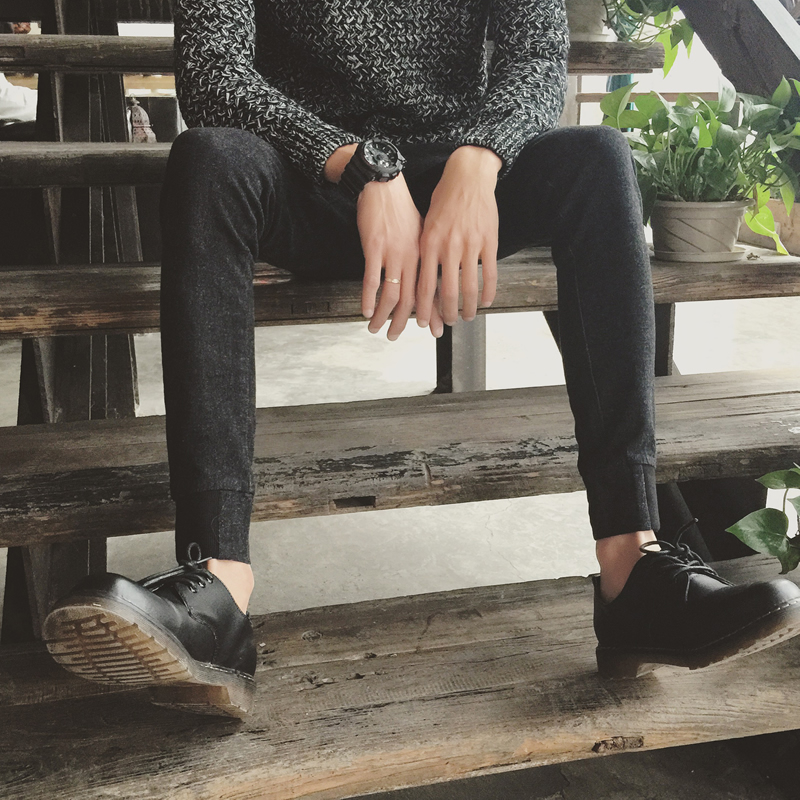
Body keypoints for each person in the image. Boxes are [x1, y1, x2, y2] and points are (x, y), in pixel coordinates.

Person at [43, 0, 800, 717]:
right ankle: (219, 586)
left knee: (598, 158)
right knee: (207, 157)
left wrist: (480, 157)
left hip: (457, 191)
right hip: (306, 175)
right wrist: (363, 167)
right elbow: (215, 76)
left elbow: (537, 56)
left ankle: (632, 563)